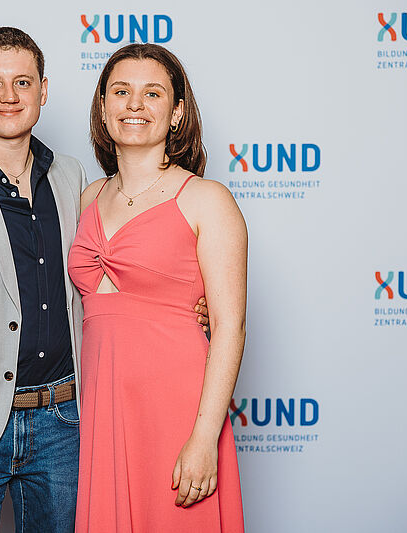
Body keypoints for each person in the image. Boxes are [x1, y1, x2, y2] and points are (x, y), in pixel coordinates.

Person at [0, 27, 210, 532]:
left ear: (43, 90)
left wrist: (196, 306)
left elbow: (116, 274)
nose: (9, 96)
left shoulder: (73, 179)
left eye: (22, 82)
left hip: (66, 423)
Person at [67, 43, 247, 532]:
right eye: (120, 92)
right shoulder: (86, 198)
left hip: (178, 409)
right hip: (103, 409)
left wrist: (204, 438)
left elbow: (229, 327)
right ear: (103, 106)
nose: (135, 104)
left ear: (177, 112)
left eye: (152, 93)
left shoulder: (207, 200)